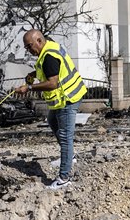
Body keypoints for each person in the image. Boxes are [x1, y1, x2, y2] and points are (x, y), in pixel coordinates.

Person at [14, 29, 88, 189]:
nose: (28, 50)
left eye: (29, 46)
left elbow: (52, 83)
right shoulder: (50, 47)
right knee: (52, 121)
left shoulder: (48, 56)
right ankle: (70, 157)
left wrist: (28, 87)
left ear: (39, 41)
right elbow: (50, 70)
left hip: (68, 98)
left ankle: (64, 178)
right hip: (62, 99)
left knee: (65, 136)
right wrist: (34, 73)